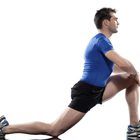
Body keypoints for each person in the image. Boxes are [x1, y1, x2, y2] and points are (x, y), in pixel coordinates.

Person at [0, 7, 140, 139]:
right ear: (106, 22)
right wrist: (134, 72)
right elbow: (124, 64)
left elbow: (115, 67)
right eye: (115, 19)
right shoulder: (101, 41)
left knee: (131, 78)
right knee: (54, 130)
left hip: (99, 89)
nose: (118, 22)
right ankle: (5, 128)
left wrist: (135, 75)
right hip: (87, 92)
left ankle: (134, 127)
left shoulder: (102, 41)